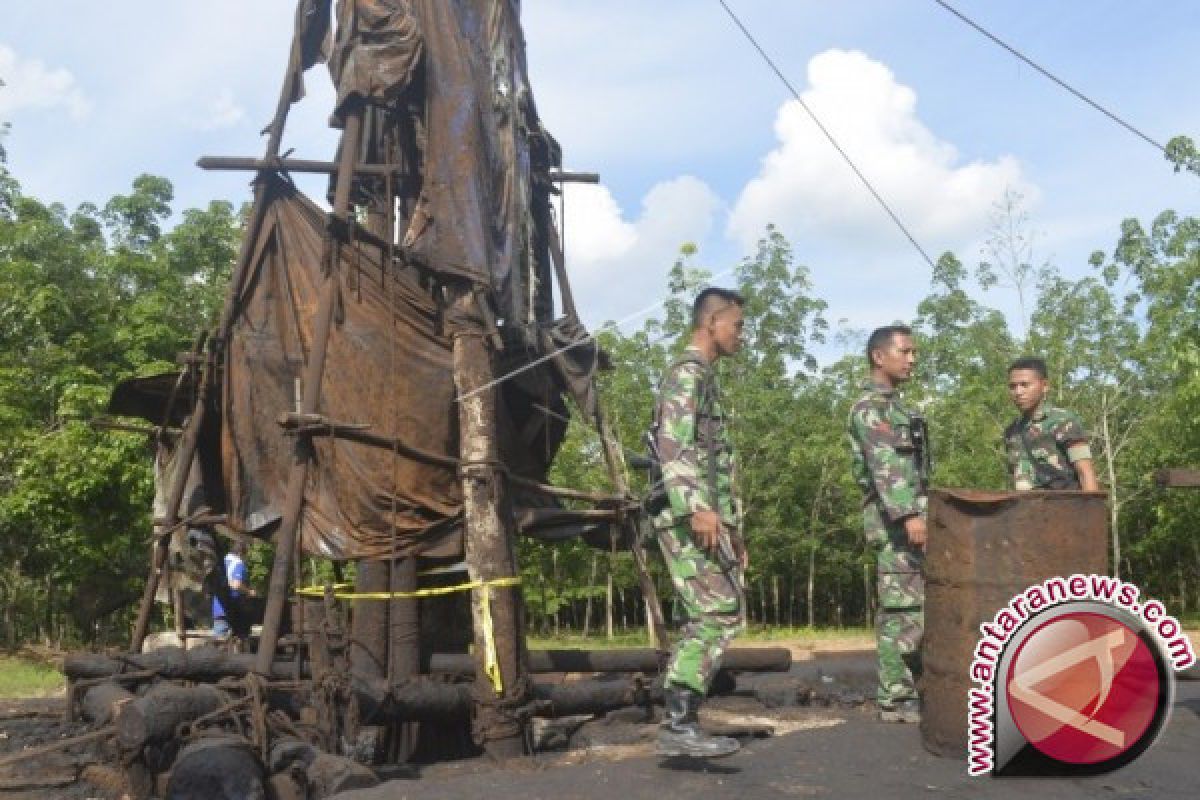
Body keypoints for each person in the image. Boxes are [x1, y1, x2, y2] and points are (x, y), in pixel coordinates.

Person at [651, 287, 747, 758]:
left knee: (706, 614)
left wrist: (732, 526)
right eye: (738, 325)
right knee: (717, 613)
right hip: (690, 514)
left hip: (707, 515)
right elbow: (675, 444)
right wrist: (697, 508)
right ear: (711, 323)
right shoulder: (687, 374)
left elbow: (716, 465)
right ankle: (678, 724)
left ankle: (681, 719)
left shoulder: (705, 377)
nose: (742, 336)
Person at [846, 325, 929, 724]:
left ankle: (907, 690)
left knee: (915, 609)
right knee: (901, 609)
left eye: (914, 352)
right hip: (895, 524)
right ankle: (895, 698)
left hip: (911, 519)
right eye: (905, 351)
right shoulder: (870, 409)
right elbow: (885, 467)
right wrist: (910, 514)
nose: (912, 359)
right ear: (880, 357)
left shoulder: (898, 409)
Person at [1004, 357, 1099, 491]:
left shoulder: (1063, 422)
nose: (1018, 392)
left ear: (1045, 386)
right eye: (1013, 386)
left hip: (1065, 507)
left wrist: (1092, 509)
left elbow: (1085, 473)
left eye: (1025, 385)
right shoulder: (1012, 431)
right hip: (1026, 509)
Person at [212, 539, 250, 638]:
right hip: (234, 608)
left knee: (220, 642)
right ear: (241, 552)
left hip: (219, 608)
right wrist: (249, 591)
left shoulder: (222, 561)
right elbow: (235, 584)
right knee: (240, 640)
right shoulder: (238, 563)